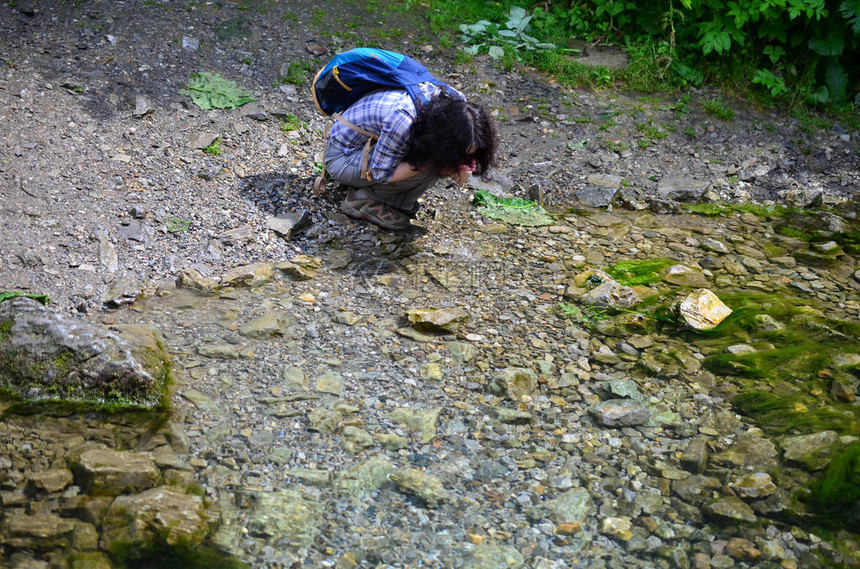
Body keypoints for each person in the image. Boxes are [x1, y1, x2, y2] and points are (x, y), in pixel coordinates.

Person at [323, 81, 498, 231]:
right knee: (430, 165)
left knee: (437, 160)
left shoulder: (457, 106)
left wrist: (462, 164)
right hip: (342, 157)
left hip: (371, 146)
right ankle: (362, 198)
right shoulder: (403, 121)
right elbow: (382, 174)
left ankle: (392, 198)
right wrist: (439, 164)